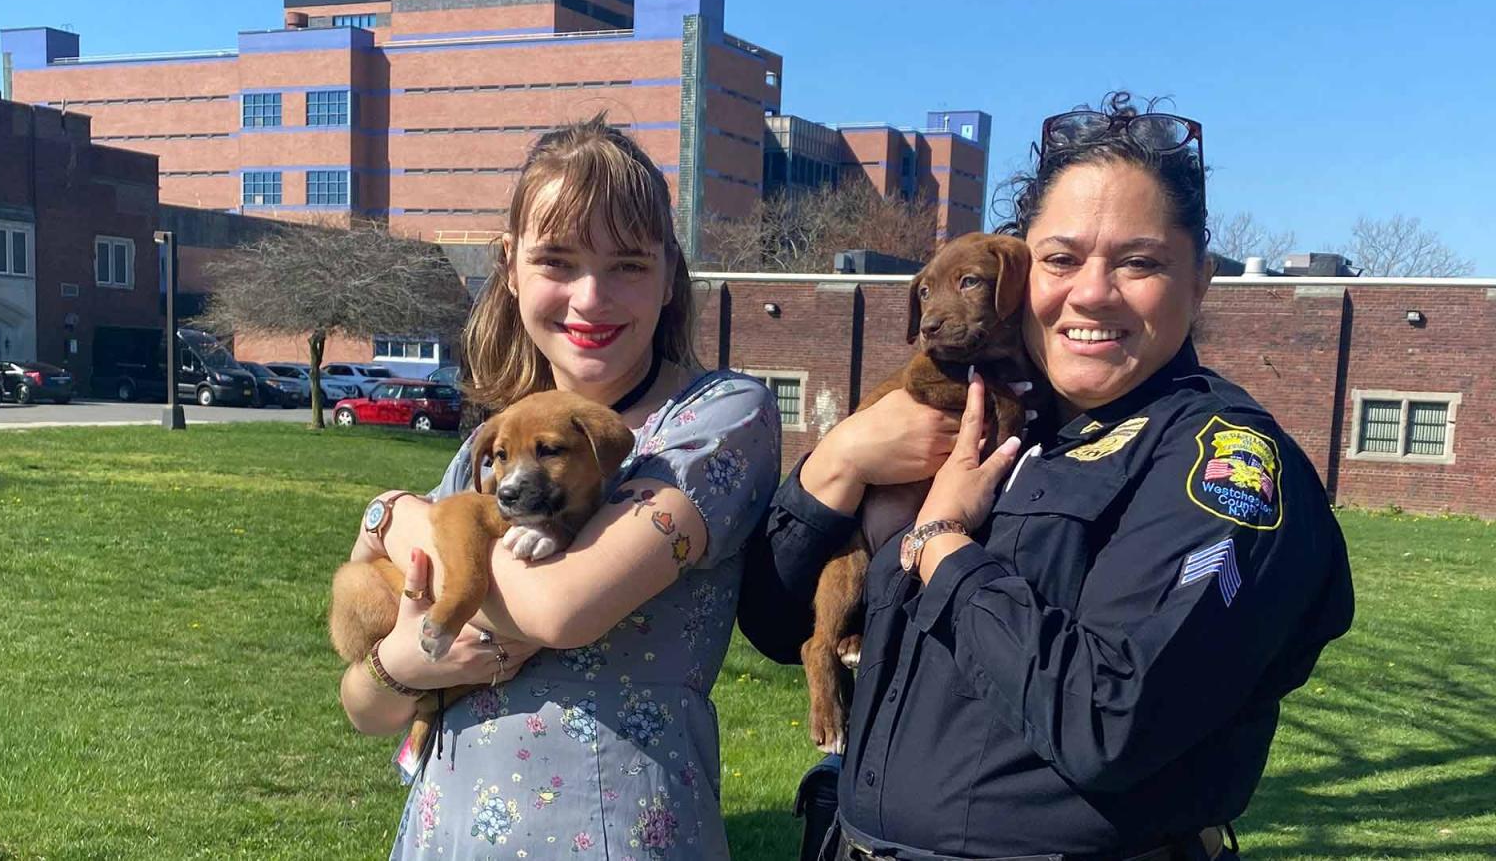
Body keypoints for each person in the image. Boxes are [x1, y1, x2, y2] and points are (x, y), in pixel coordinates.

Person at [740, 93, 1354, 861]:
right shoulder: (999, 425)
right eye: (1061, 259)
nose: (1091, 292)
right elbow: (772, 623)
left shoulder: (1220, 462)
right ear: (1023, 272)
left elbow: (1112, 718)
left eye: (1140, 262)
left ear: (1199, 280)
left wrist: (941, 546)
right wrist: (837, 465)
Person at [340, 114, 781, 859]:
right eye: (558, 262)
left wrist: (394, 514)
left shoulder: (713, 421)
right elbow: (365, 706)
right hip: (447, 833)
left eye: (629, 266)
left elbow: (561, 608)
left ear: (671, 276)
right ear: (509, 269)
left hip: (618, 833)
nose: (590, 298)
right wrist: (402, 666)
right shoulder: (498, 442)